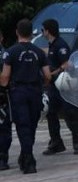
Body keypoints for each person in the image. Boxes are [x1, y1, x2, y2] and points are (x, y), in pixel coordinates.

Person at [0, 19, 51, 173]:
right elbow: (48, 76)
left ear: (17, 32)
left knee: (23, 125)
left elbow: (5, 78)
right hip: (35, 91)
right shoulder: (39, 52)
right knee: (32, 124)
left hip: (18, 92)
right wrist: (42, 85)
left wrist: (4, 86)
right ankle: (26, 155)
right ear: (31, 33)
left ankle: (28, 159)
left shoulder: (10, 52)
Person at [41, 19, 78, 155]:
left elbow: (67, 64)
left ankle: (77, 142)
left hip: (65, 86)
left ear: (48, 31)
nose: (42, 33)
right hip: (54, 87)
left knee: (71, 114)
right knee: (51, 113)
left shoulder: (60, 45)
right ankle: (56, 142)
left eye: (43, 30)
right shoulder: (52, 45)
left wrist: (53, 73)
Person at [0, 31, 10, 171]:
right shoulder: (6, 53)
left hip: (3, 95)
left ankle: (2, 157)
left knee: (3, 128)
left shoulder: (6, 54)